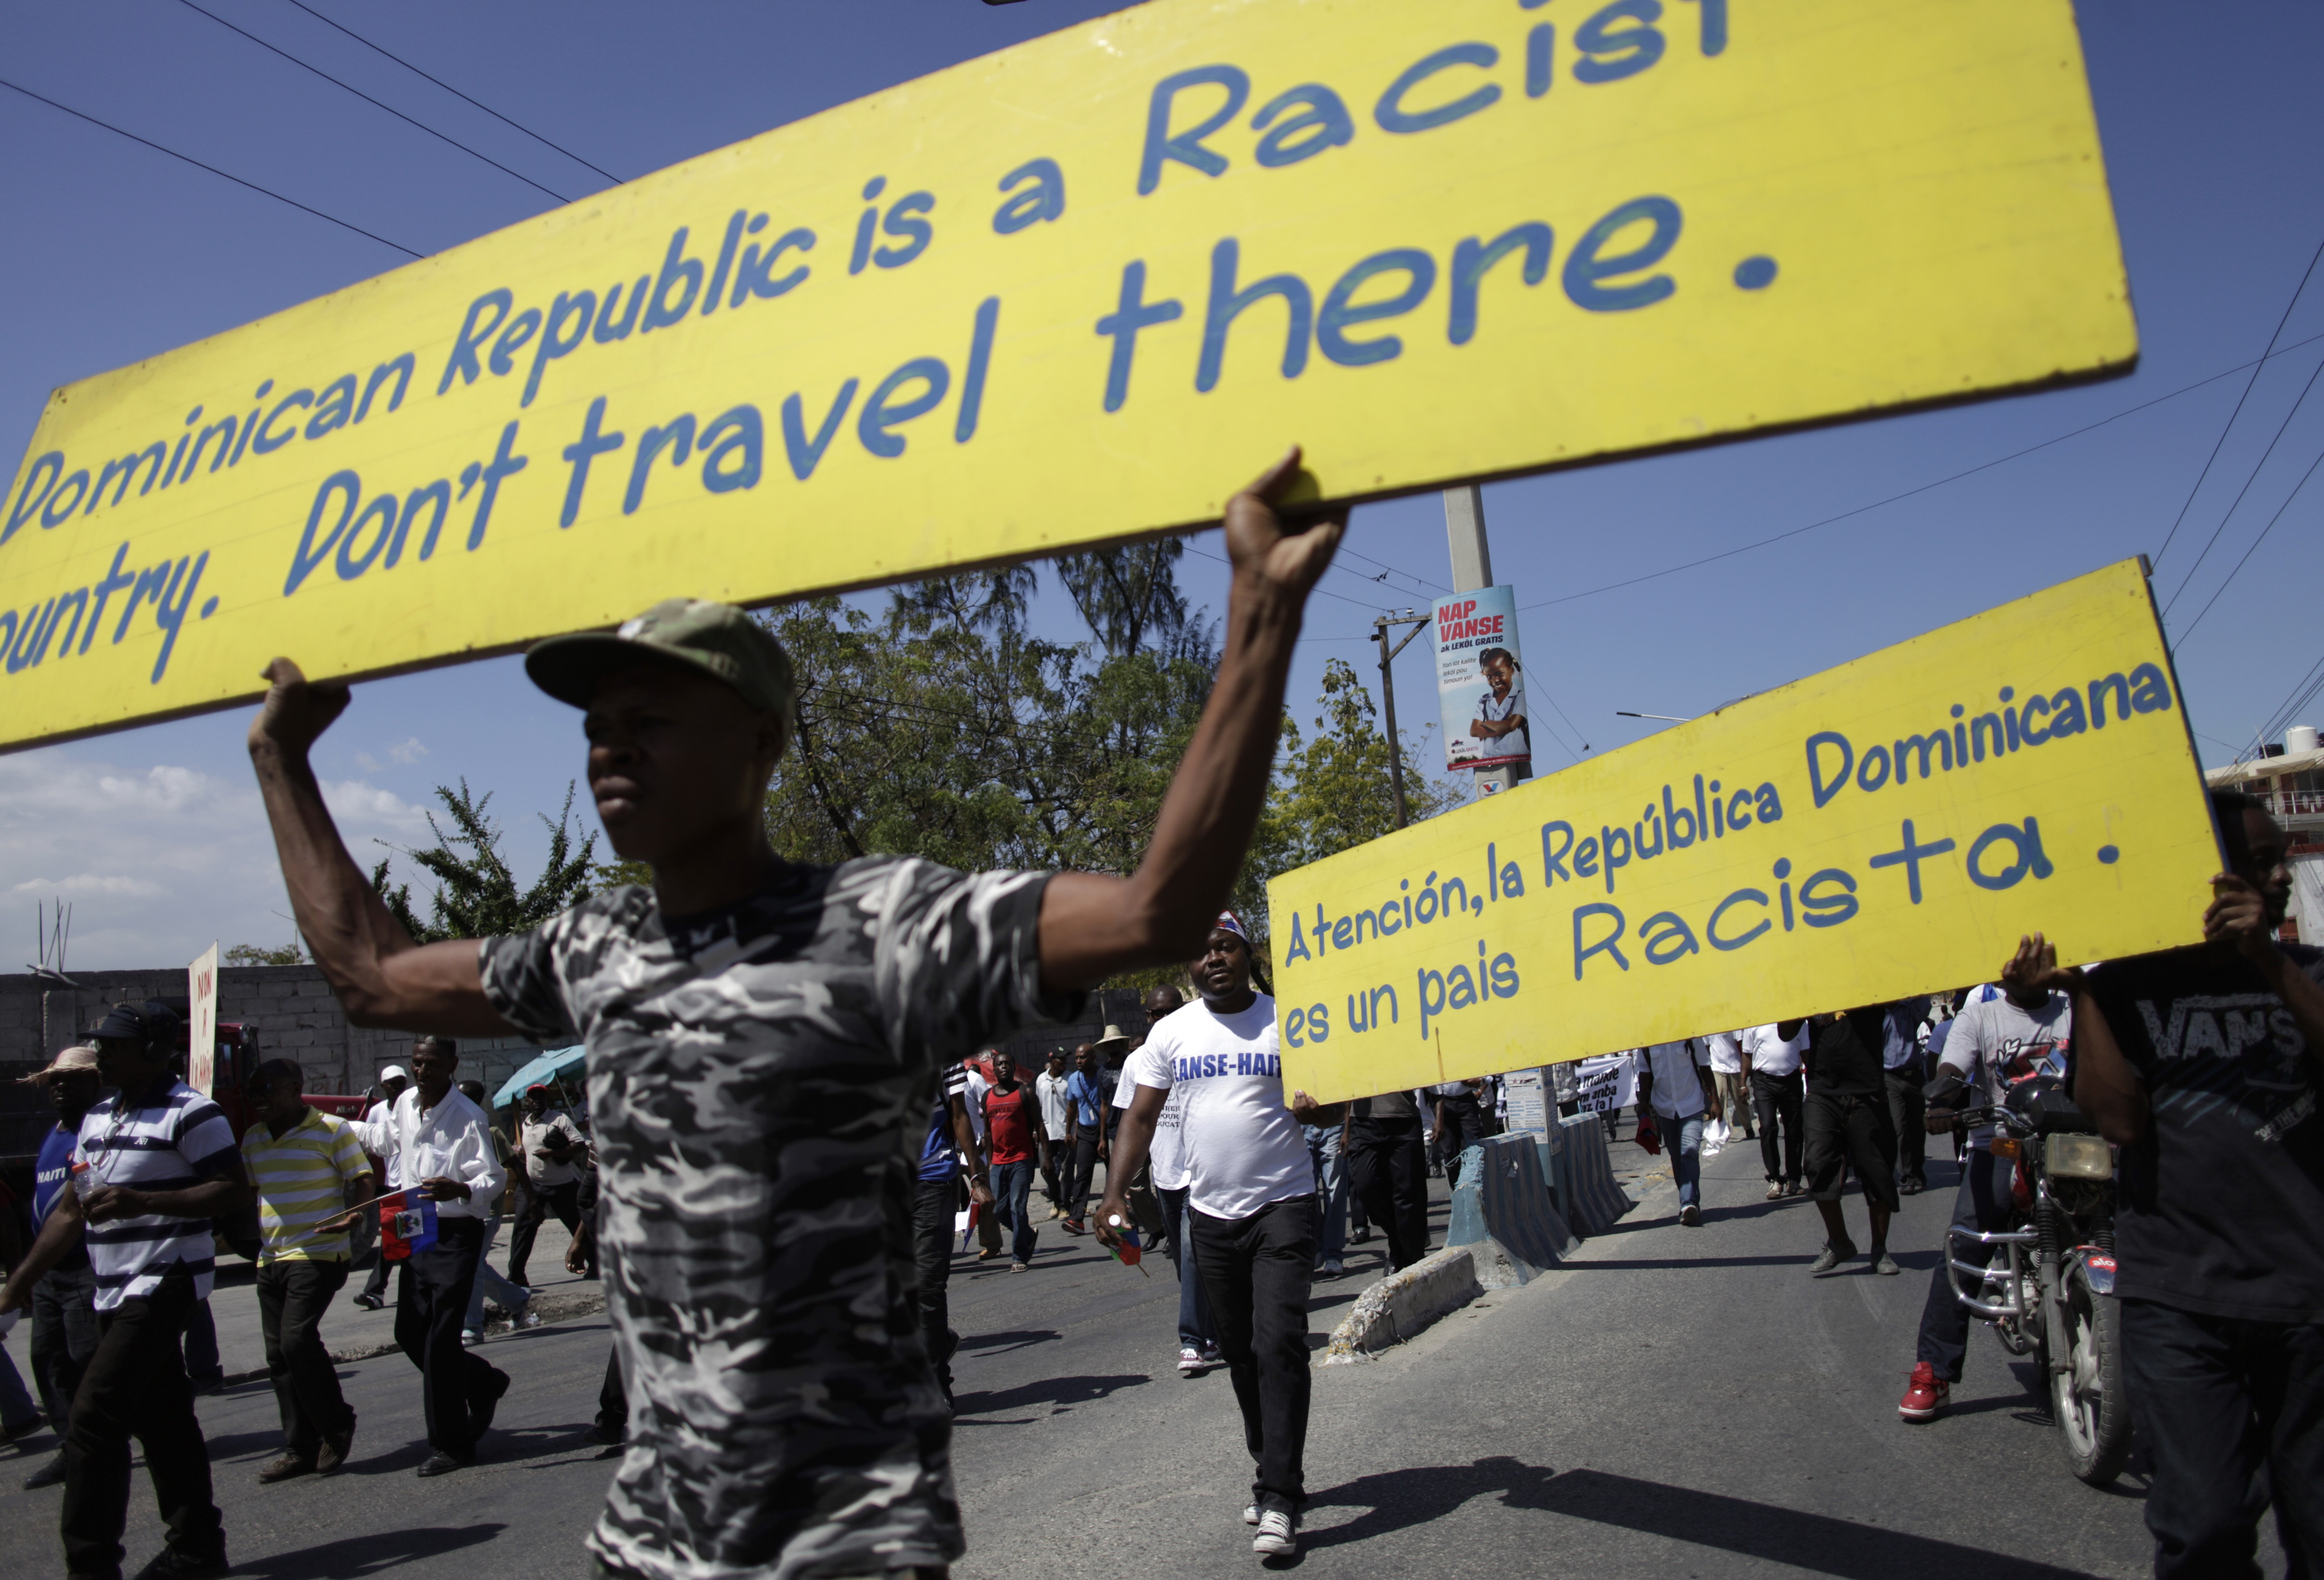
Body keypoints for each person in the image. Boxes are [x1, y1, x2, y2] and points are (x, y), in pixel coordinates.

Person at [243, 449, 1343, 1580]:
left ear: (762, 744)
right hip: (646, 1541)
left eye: (654, 718)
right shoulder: (595, 948)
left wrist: (1261, 609)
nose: (611, 746)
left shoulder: (881, 925)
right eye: (598, 726)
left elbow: (1157, 913)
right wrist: (282, 763)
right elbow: (372, 979)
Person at [2017, 791, 2323, 1575]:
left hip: (2307, 1300)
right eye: (2255, 864)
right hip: (2177, 1301)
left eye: (2277, 860)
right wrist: (2079, 989)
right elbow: (2117, 1123)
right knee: (2204, 1527)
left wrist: (2266, 960)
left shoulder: (2309, 972)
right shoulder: (2127, 986)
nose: (2276, 877)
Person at [1101, 915, 1341, 1559]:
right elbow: (1141, 1114)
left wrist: (1322, 1109)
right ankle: (1270, 1469)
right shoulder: (1170, 1033)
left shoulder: (1288, 1020)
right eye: (1200, 949)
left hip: (1283, 1205)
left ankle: (1281, 1497)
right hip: (1207, 1216)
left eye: (1225, 946)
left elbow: (1341, 1104)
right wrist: (1114, 1190)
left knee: (1279, 1341)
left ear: (1245, 954)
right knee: (1239, 1352)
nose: (1212, 957)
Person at [0, 1001, 246, 1580]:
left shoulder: (192, 1113)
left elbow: (232, 1190)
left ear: (158, 1052)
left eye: (115, 1045)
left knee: (92, 1417)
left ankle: (91, 1566)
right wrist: (17, 1286)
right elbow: (70, 1210)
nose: (102, 1054)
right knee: (163, 1419)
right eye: (101, 1044)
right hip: (111, 1287)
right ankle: (198, 1549)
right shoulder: (100, 1116)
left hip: (166, 1279)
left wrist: (144, 1202)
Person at [1898, 953, 2070, 1422]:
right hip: (2001, 1146)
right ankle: (1933, 1371)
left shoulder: (2076, 1008)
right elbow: (1953, 1068)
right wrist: (1943, 1095)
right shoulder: (1980, 1014)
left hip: (2075, 1146)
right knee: (1963, 1245)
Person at [343, 1037, 511, 1476]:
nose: (422, 1071)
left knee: (440, 1338)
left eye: (432, 1064)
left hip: (456, 1228)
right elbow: (385, 1141)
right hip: (410, 1217)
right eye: (417, 1063)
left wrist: (463, 1189)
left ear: (452, 1065)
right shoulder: (406, 1103)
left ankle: (451, 1444)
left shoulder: (468, 1117)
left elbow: (493, 1179)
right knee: (410, 1331)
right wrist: (334, 1125)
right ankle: (482, 1381)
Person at [238, 1058, 374, 1482]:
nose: (259, 1100)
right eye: (253, 1093)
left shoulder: (333, 1130)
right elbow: (253, 1193)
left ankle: (337, 1423)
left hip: (319, 1253)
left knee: (297, 1340)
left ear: (295, 1087)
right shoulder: (254, 1139)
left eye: (267, 1091)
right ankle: (300, 1448)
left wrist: (354, 1216)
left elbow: (364, 1180)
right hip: (272, 1257)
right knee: (278, 1356)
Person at [1114, 984, 1220, 1376]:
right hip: (1166, 1176)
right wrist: (1119, 1187)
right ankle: (1212, 1331)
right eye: (1156, 1014)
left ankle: (1192, 1339)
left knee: (1194, 1254)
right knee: (1183, 1261)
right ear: (1147, 1017)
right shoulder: (1137, 1062)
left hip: (1200, 1175)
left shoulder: (1201, 1047)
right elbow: (1131, 1123)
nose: (1163, 1020)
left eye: (1171, 1011)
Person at [19, 1043, 102, 1491]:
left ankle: (95, 1444)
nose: (61, 1087)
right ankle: (71, 1445)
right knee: (47, 1359)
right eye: (56, 1081)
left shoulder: (98, 1131)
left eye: (72, 1080)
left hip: (85, 1267)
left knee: (87, 1359)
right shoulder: (54, 1133)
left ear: (95, 1082)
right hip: (51, 1273)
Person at [1786, 1006, 1903, 1276]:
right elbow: (1785, 1032)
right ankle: (1839, 1242)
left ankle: (1879, 1249)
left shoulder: (1868, 974)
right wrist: (1803, 1003)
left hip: (1867, 1088)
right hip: (1822, 1090)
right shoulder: (1809, 982)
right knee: (1816, 1163)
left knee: (1877, 1170)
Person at [913, 1060, 988, 1405]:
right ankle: (939, 1340)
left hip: (931, 1180)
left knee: (926, 1286)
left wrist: (975, 1176)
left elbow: (959, 1115)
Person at [455, 1080, 539, 1345]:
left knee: (471, 1267)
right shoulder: (455, 1129)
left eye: (463, 1097)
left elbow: (516, 1165)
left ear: (476, 1100)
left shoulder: (489, 1131)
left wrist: (532, 1200)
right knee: (474, 1265)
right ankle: (517, 1298)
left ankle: (472, 1326)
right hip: (462, 1209)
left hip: (488, 1211)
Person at [507, 1083, 594, 1285]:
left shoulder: (559, 1119)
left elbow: (579, 1144)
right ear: (527, 1101)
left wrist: (552, 1153)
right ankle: (516, 1275)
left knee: (578, 1226)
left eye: (541, 1097)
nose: (537, 1101)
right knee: (522, 1229)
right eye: (533, 1098)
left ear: (547, 1100)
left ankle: (596, 1264)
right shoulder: (526, 1123)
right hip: (533, 1186)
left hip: (561, 1185)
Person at [1345, 1088, 1430, 1272]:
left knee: (1408, 1195)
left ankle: (1409, 1257)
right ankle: (1399, 1240)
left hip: (1403, 1116)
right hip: (1362, 1120)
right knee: (1365, 1186)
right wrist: (1346, 1127)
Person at [980, 1052, 1047, 1273]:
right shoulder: (987, 1097)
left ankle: (1019, 1256)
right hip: (998, 1162)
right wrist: (990, 1162)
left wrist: (1046, 1158)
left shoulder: (1025, 1093)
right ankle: (1027, 1235)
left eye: (1007, 1064)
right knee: (999, 1209)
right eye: (999, 1065)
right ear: (994, 1069)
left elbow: (1039, 1126)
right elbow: (988, 1133)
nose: (1003, 1068)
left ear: (1013, 1067)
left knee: (1018, 1207)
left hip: (1022, 1159)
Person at [1638, 1040, 1716, 1227]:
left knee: (1689, 1151)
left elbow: (1704, 1066)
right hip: (1665, 1110)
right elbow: (1644, 1072)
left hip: (1692, 1105)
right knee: (1676, 1158)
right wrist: (1642, 1104)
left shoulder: (1690, 1035)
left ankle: (1688, 1202)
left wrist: (1715, 1101)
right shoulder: (1647, 1040)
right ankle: (1689, 1201)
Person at [350, 1063, 410, 1311]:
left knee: (399, 1238)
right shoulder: (376, 1112)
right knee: (398, 1238)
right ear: (383, 1086)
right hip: (391, 1185)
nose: (396, 1087)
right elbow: (371, 1147)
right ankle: (378, 1291)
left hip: (411, 1183)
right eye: (391, 1083)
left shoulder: (413, 1105)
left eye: (400, 1082)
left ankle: (375, 1291)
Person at [1742, 1022, 1809, 1199]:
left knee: (1794, 1130)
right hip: (1764, 1082)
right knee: (1769, 1127)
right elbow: (1747, 1054)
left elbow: (1806, 1052)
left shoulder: (1798, 1021)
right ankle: (1774, 1179)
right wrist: (1743, 1084)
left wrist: (1814, 1081)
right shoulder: (1754, 1021)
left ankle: (1793, 1179)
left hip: (1792, 1080)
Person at [1882, 996, 1932, 1195]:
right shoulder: (1878, 1014)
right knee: (1899, 1127)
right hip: (1889, 1078)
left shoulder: (1910, 1008)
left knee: (1917, 1128)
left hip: (1913, 1076)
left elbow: (1925, 1004)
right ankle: (1907, 1176)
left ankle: (1917, 1170)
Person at [1062, 1042, 1109, 1235]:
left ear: (1094, 1058)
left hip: (1105, 1130)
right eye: (1077, 1058)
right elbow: (1073, 1106)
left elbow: (1107, 1106)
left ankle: (1118, 1210)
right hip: (1085, 1132)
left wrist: (1104, 1138)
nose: (1079, 1061)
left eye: (1083, 1057)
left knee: (1114, 1172)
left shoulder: (1103, 1075)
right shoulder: (1074, 1079)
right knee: (1082, 1175)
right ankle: (1076, 1219)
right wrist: (1069, 1132)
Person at [1467, 646, 1528, 760]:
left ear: (1511, 670)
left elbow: (1511, 726)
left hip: (1514, 756)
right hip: (1489, 757)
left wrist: (1486, 724)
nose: (1495, 680)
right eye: (1489, 676)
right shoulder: (1484, 700)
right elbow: (1474, 731)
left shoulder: (1519, 696)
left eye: (1499, 674)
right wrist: (1502, 726)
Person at [1035, 1049, 1073, 1220]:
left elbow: (1074, 1106)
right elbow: (1038, 1107)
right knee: (1047, 1169)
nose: (1064, 1063)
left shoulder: (1070, 1079)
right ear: (1052, 1061)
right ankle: (1057, 1201)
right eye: (1060, 1060)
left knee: (1066, 1171)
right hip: (1046, 1133)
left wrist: (1073, 1131)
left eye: (1065, 1060)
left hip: (1066, 1133)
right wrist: (1036, 1130)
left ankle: (1064, 1205)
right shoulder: (1041, 1080)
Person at [1702, 1030, 1753, 1140]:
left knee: (1739, 1099)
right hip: (1717, 1066)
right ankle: (1723, 1131)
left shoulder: (1730, 1021)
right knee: (1719, 1098)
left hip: (1734, 1065)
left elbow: (1742, 1043)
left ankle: (1748, 1126)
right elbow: (1707, 1045)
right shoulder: (1706, 1025)